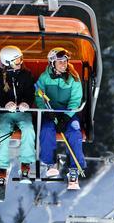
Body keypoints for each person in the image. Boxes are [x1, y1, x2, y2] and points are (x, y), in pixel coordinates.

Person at [35, 47, 85, 188]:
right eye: (60, 61)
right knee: (46, 130)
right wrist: (46, 110)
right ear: (52, 63)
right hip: (51, 111)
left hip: (68, 114)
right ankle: (50, 162)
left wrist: (66, 117)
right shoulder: (44, 78)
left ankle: (74, 168)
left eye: (65, 61)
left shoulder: (73, 78)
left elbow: (76, 99)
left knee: (74, 132)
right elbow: (39, 96)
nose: (63, 64)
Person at [0, 46, 36, 185]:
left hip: (22, 112)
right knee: (3, 132)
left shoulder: (26, 74)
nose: (20, 62)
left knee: (28, 129)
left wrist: (26, 103)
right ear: (7, 62)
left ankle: (26, 163)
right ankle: (1, 166)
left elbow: (30, 92)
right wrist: (5, 104)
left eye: (20, 59)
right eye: (17, 60)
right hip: (4, 112)